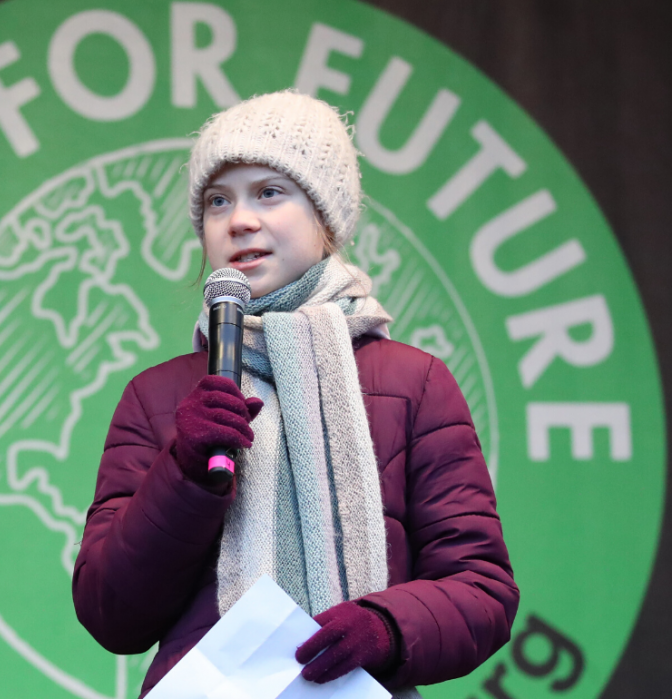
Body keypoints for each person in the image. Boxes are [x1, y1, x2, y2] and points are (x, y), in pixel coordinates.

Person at [72, 91, 518, 698]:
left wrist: (386, 627)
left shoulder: (416, 384)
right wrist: (184, 475)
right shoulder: (157, 396)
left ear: (326, 218)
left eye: (270, 192)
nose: (240, 220)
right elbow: (111, 612)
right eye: (217, 201)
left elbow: (480, 589)